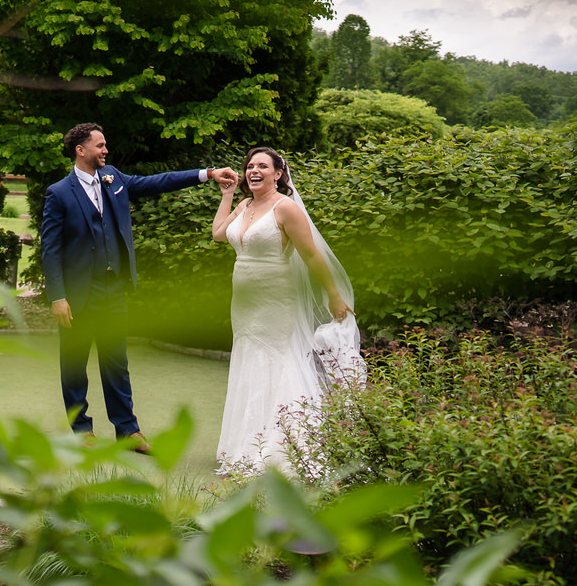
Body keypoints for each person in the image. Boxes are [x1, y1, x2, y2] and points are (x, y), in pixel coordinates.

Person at [40, 123, 237, 451]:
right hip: (76, 295)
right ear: (80, 150)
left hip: (113, 290)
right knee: (74, 364)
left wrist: (207, 174)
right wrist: (57, 297)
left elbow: (156, 182)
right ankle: (81, 431)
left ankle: (128, 432)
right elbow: (50, 249)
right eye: (100, 145)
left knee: (116, 362)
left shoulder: (113, 178)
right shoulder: (59, 193)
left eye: (105, 145)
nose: (106, 150)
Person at [210, 145, 361, 477]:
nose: (254, 171)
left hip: (276, 300)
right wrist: (228, 195)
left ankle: (285, 447)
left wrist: (333, 296)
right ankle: (247, 444)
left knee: (278, 363)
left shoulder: (286, 208)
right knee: (249, 361)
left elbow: (312, 256)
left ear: (278, 174)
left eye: (263, 166)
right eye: (250, 166)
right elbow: (219, 234)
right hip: (244, 305)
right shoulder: (245, 205)